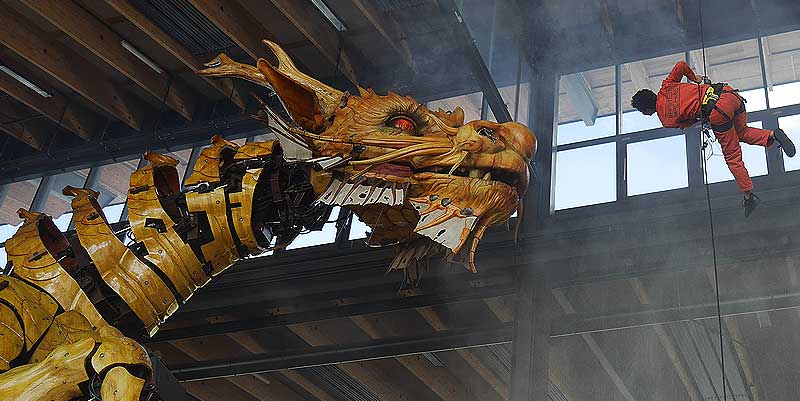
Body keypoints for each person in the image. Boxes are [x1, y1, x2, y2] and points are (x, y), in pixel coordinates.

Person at [631, 61, 795, 217]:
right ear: (652, 93)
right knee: (741, 132)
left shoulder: (665, 120)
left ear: (646, 111)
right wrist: (695, 79)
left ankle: (748, 196)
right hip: (728, 94)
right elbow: (681, 65)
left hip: (718, 112)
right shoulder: (666, 85)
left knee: (732, 157)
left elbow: (691, 122)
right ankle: (773, 135)